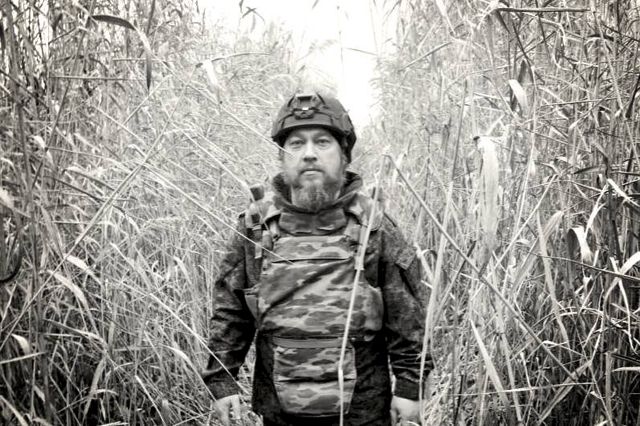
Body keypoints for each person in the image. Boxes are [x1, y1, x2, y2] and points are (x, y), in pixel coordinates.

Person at [202, 92, 433, 425]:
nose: (309, 153)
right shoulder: (256, 227)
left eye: (322, 142)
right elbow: (231, 310)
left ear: (344, 155)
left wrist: (410, 388)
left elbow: (407, 317)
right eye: (296, 143)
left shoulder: (373, 225)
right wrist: (221, 380)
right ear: (282, 157)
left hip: (362, 412)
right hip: (281, 411)